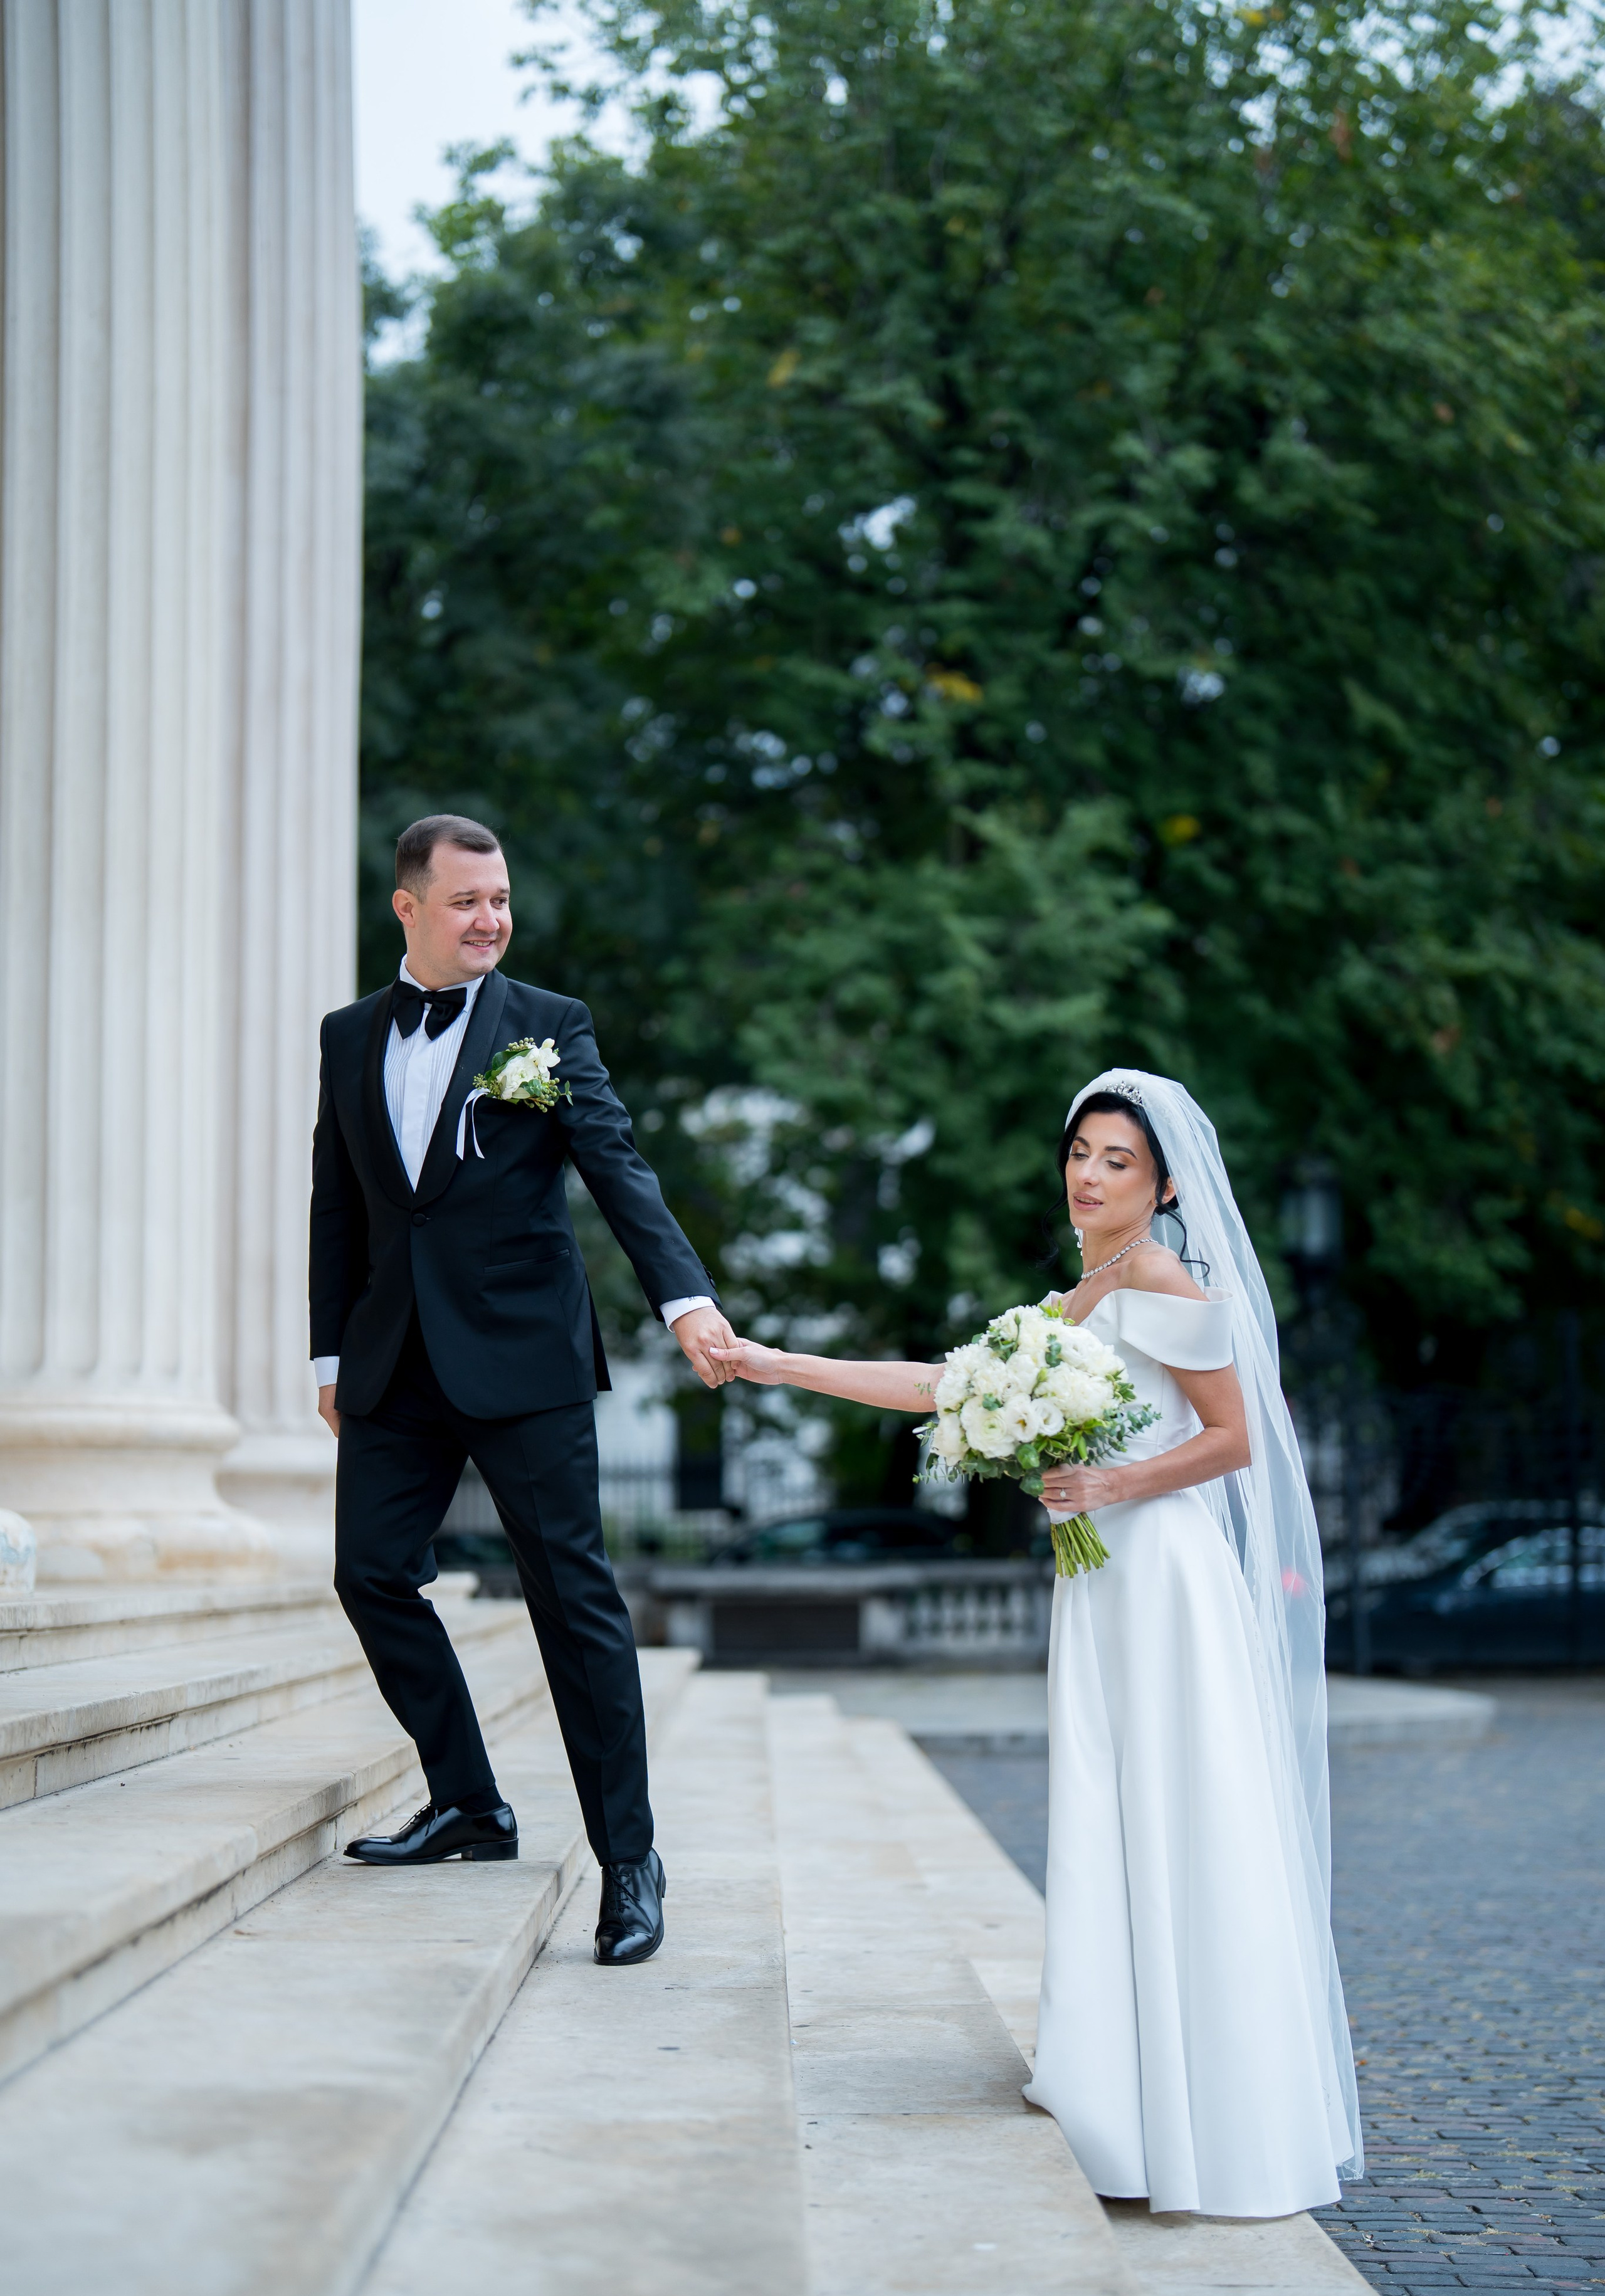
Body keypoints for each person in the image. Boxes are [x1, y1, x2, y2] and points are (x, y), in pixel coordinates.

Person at [710, 1068, 1363, 2214]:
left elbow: (1234, 1438)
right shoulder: (1075, 1297)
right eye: (1080, 1155)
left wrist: (1112, 1481)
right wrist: (779, 1363)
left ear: (1166, 1188)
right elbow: (942, 1386)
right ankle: (1117, 2084)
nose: (1090, 1176)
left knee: (1177, 1809)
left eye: (1119, 1161)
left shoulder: (1159, 1277)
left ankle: (1207, 2113)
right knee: (1110, 1809)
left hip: (1164, 1580)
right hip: (1100, 1584)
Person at [310, 813, 738, 1966]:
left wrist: (684, 1299)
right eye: (467, 902)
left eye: (500, 900)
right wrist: (329, 1356)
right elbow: (338, 1201)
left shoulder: (551, 1025)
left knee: (572, 1601)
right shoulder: (348, 1035)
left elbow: (617, 1166)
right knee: (369, 1573)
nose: (491, 919)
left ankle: (630, 1859)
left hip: (524, 1357)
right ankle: (468, 1802)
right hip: (393, 1359)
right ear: (408, 907)